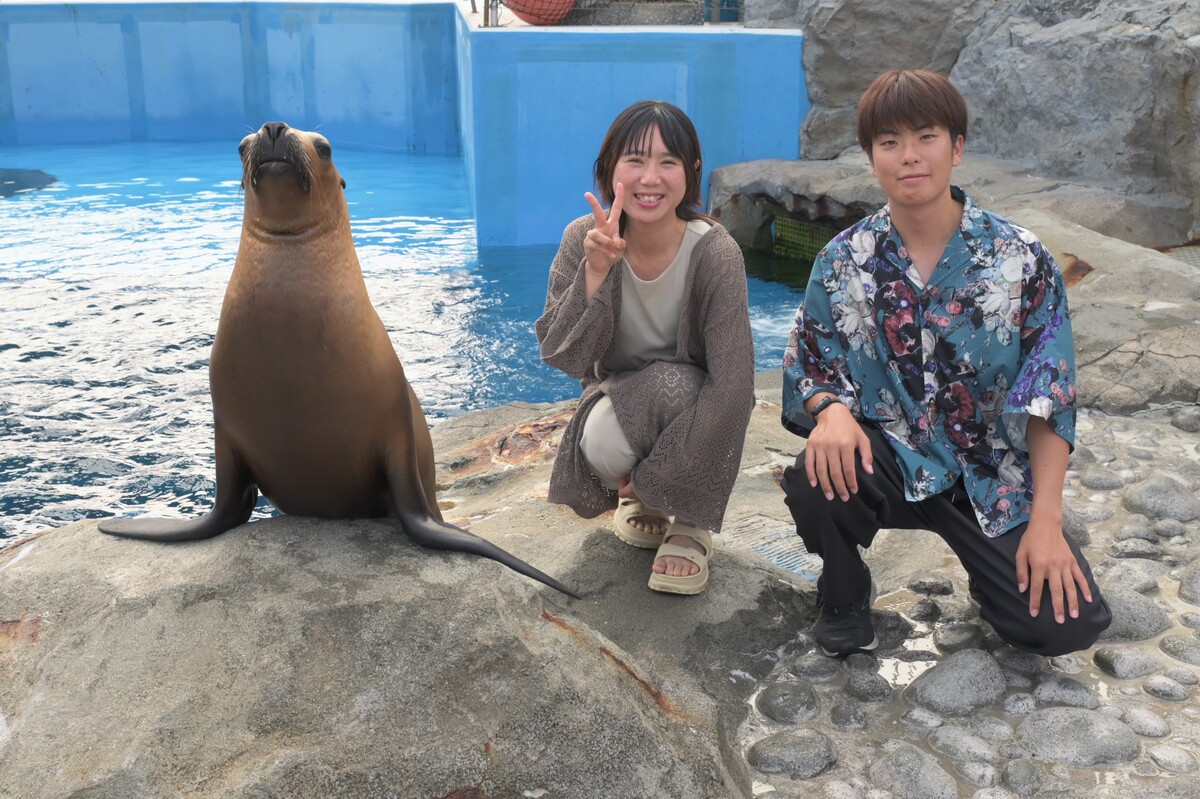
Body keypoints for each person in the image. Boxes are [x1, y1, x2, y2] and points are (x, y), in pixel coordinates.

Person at [780, 70, 1112, 656]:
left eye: (926, 137)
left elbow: (1049, 398)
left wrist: (1047, 522)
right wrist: (829, 411)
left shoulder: (1021, 258)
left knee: (1064, 628)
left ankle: (990, 574)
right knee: (815, 473)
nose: (909, 156)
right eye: (889, 142)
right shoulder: (841, 260)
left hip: (993, 475)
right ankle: (843, 587)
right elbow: (811, 363)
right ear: (871, 158)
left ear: (956, 148)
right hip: (890, 459)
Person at [536, 100, 755, 595]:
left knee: (674, 383)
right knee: (602, 441)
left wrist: (661, 474)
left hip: (693, 402)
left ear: (691, 171)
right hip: (617, 401)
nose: (650, 178)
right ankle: (645, 498)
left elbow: (735, 384)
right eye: (635, 160)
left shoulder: (715, 252)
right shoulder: (585, 238)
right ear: (610, 168)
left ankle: (691, 520)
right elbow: (562, 355)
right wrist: (595, 271)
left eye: (667, 162)